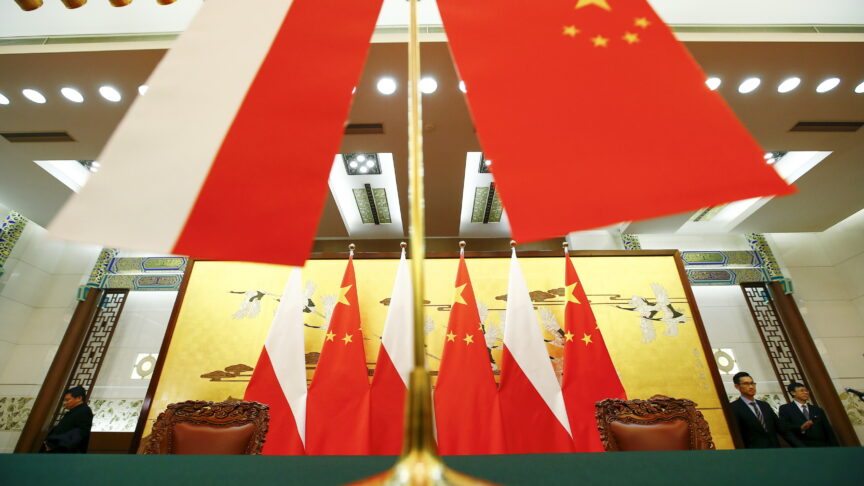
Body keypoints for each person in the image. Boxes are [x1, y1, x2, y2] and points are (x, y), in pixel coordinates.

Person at [729, 372, 803, 448]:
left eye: (752, 383)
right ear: (737, 386)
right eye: (746, 384)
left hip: (775, 449)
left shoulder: (764, 405)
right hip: (754, 453)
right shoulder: (733, 407)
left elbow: (782, 429)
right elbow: (737, 435)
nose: (751, 386)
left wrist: (801, 447)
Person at [778, 382, 839, 447]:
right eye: (802, 391)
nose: (806, 393)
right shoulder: (785, 408)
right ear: (793, 393)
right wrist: (800, 428)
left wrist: (835, 446)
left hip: (822, 445)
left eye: (806, 390)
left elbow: (827, 429)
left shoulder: (817, 409)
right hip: (802, 445)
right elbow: (785, 427)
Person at [40, 385, 94, 453]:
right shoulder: (74, 411)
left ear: (79, 398)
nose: (65, 403)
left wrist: (54, 443)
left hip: (66, 452)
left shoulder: (84, 411)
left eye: (67, 400)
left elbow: (80, 432)